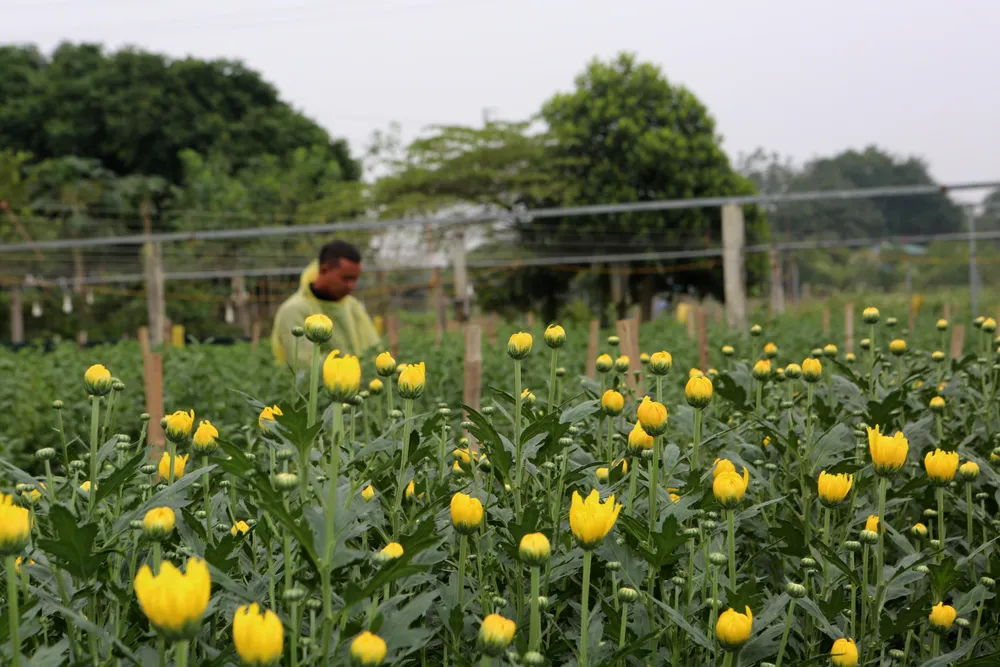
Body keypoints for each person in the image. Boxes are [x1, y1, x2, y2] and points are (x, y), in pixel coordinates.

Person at [271, 240, 380, 365]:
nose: (351, 285)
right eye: (346, 278)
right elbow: (304, 363)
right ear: (323, 270)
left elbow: (374, 348)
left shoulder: (352, 306)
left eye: (355, 279)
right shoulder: (294, 310)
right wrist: (349, 373)